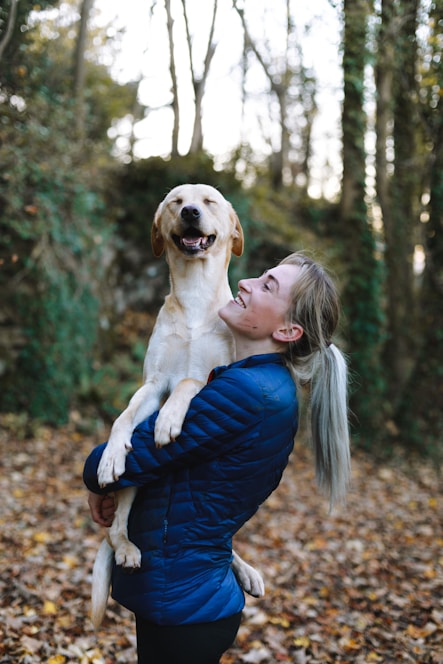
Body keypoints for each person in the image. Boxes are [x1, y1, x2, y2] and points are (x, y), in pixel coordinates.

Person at [83, 251, 351, 664]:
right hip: (187, 596)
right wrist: (112, 483)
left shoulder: (245, 393)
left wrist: (99, 476)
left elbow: (122, 461)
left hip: (184, 604)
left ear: (288, 329)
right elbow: (181, 478)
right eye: (260, 276)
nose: (246, 283)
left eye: (267, 286)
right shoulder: (255, 383)